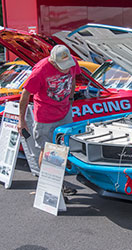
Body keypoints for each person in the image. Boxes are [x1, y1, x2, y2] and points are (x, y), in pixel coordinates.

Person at [17, 45, 81, 196]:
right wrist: (22, 121)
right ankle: (49, 187)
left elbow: (72, 81)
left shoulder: (72, 62)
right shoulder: (40, 70)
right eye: (62, 67)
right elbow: (24, 96)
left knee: (62, 150)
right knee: (47, 152)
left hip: (64, 113)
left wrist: (71, 99)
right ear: (53, 61)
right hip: (45, 117)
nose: (66, 69)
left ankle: (57, 185)